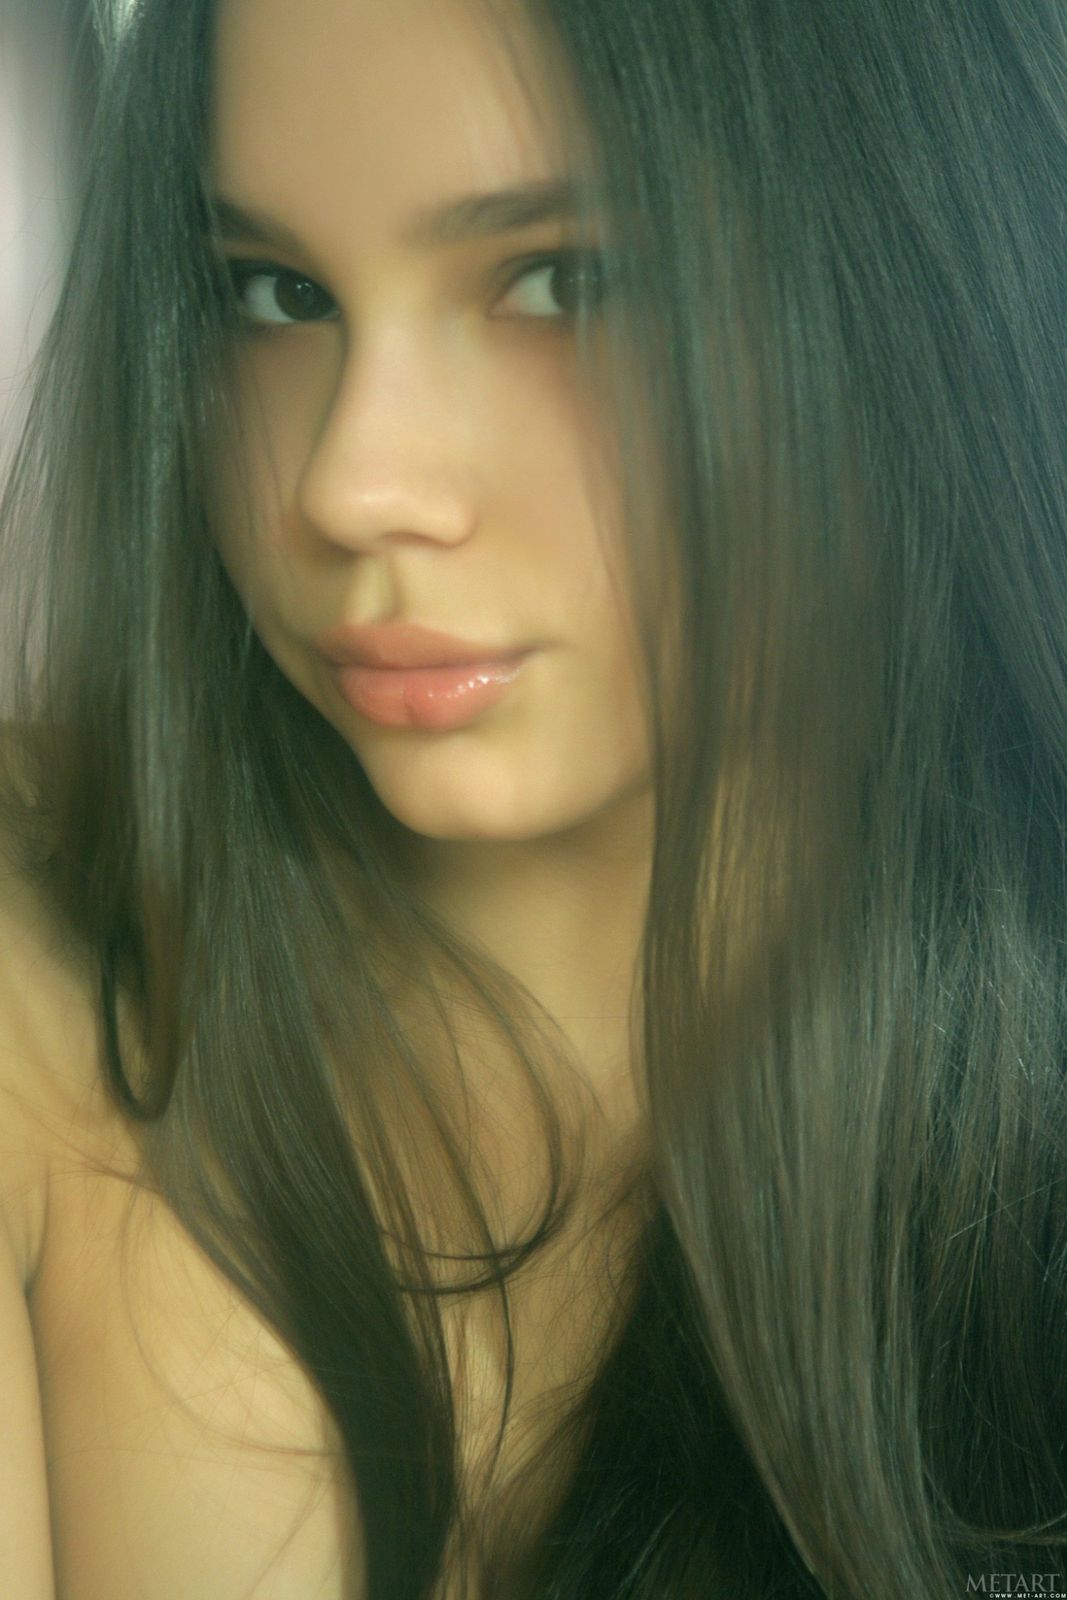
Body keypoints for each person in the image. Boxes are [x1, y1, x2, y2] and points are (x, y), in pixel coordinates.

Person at [1, 0, 1065, 1594]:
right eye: (275, 293)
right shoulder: (45, 979)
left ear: (912, 270)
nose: (349, 484)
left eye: (565, 281)